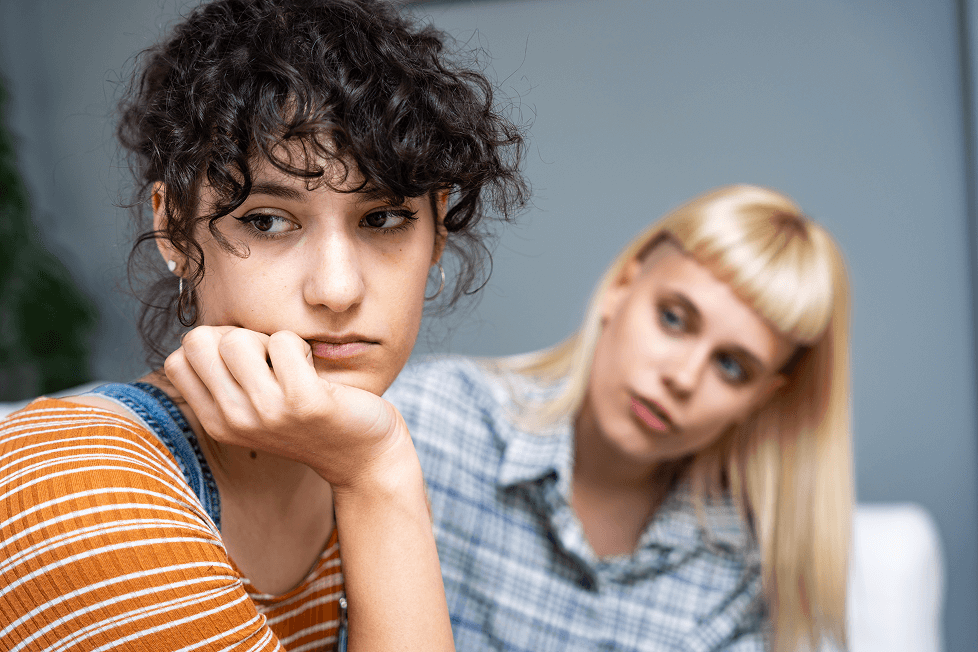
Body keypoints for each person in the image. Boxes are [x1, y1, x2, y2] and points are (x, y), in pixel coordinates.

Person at [0, 0, 526, 649]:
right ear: (170, 224)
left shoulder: (355, 467)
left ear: (438, 227)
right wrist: (378, 475)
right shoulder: (72, 487)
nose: (337, 289)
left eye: (383, 218)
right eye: (268, 220)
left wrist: (373, 479)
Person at [385, 184, 852, 652]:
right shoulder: (427, 425)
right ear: (622, 286)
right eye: (673, 318)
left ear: (759, 399)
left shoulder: (741, 582)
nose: (683, 377)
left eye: (732, 367)